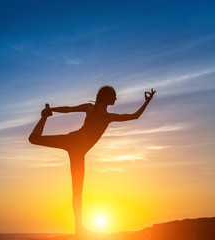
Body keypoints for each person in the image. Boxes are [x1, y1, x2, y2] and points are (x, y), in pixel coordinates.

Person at [28, 86, 156, 236]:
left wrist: (147, 102)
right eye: (112, 95)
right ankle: (44, 116)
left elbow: (134, 116)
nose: (115, 98)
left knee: (77, 191)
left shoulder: (109, 117)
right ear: (104, 96)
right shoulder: (90, 108)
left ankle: (79, 229)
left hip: (79, 152)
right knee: (34, 139)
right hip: (73, 140)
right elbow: (69, 109)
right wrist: (51, 110)